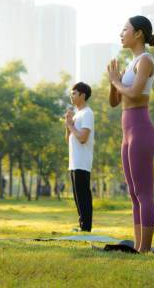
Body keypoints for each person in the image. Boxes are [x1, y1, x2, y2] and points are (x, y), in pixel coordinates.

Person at [107, 15, 154, 253]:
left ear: (138, 34)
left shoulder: (145, 60)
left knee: (143, 192)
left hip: (140, 129)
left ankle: (146, 249)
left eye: (125, 29)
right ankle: (138, 246)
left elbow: (136, 93)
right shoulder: (131, 64)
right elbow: (114, 102)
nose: (121, 33)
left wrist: (117, 81)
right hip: (127, 131)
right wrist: (113, 83)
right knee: (133, 193)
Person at [64, 82, 95, 232]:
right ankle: (82, 224)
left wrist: (71, 126)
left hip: (82, 162)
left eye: (74, 93)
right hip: (74, 162)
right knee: (78, 196)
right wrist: (68, 124)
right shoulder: (77, 114)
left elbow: (83, 137)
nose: (72, 96)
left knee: (83, 195)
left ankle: (86, 227)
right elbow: (69, 138)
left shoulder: (87, 113)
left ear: (83, 95)